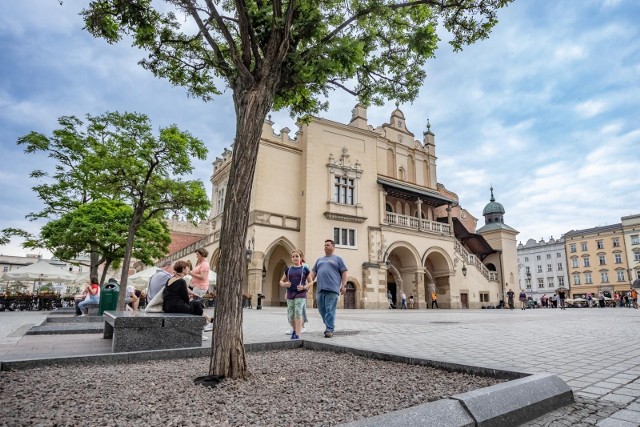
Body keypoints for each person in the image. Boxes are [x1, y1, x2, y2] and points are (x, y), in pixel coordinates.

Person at [309, 239, 348, 338]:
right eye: (325, 245)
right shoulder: (319, 260)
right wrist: (309, 282)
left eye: (328, 245)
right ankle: (329, 325)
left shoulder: (338, 259)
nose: (325, 247)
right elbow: (313, 272)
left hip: (332, 289)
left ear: (333, 247)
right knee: (321, 310)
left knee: (329, 309)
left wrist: (344, 285)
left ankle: (329, 329)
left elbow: (344, 272)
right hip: (320, 289)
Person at [162, 260, 212, 326]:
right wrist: (190, 297)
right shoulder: (181, 281)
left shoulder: (170, 279)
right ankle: (206, 324)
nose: (189, 269)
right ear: (183, 269)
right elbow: (185, 299)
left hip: (167, 307)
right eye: (187, 268)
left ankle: (209, 320)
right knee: (197, 304)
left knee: (196, 304)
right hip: (176, 307)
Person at [279, 249, 312, 340]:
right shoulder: (288, 270)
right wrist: (284, 284)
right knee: (291, 315)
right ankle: (294, 330)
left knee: (298, 312)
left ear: (301, 258)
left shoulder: (305, 269)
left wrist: (304, 287)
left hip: (300, 294)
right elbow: (281, 281)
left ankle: (297, 334)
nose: (295, 258)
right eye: (293, 256)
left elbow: (311, 282)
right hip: (290, 294)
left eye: (297, 256)